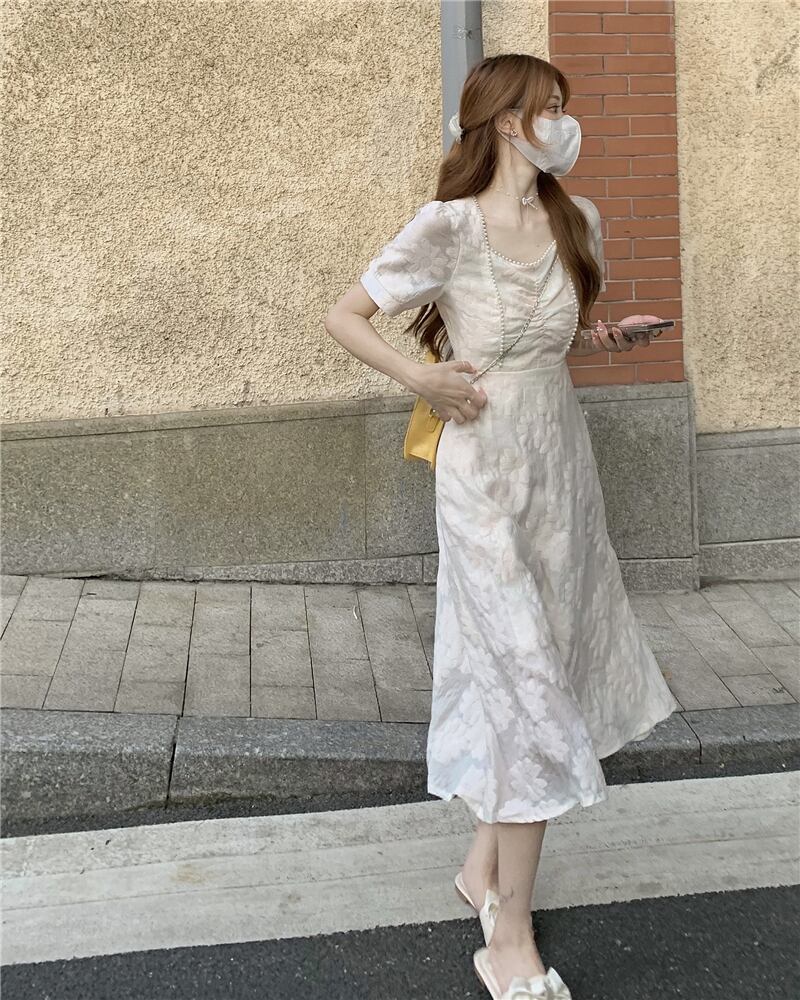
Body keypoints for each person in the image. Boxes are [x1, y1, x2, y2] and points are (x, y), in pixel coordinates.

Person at [325, 53, 680, 1000]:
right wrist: (422, 378)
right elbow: (346, 315)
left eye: (565, 106)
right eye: (548, 107)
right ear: (507, 121)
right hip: (482, 474)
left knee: (543, 662)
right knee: (527, 682)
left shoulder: (575, 219)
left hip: (560, 469)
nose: (564, 121)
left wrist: (605, 338)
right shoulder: (447, 226)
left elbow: (543, 338)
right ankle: (508, 936)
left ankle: (481, 870)